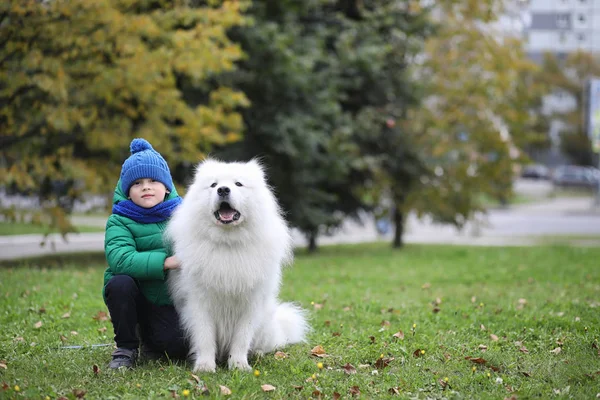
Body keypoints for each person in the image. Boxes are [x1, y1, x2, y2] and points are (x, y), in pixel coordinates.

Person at [102, 138, 186, 369]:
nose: (146, 187)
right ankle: (127, 347)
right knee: (120, 283)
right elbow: (119, 259)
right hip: (138, 299)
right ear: (127, 191)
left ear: (166, 187)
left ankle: (151, 338)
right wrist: (165, 262)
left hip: (171, 301)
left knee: (176, 347)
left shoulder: (185, 214)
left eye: (153, 181)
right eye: (137, 182)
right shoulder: (119, 220)